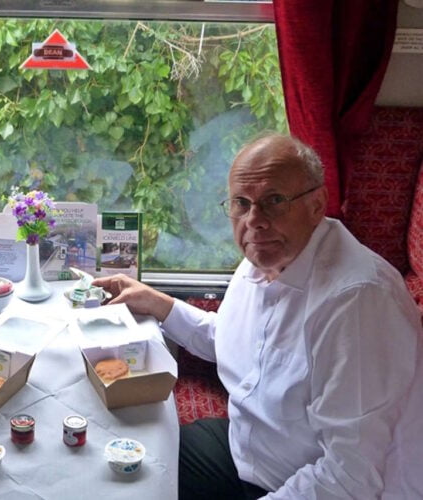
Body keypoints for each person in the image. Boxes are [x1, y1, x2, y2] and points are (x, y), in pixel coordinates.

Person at [94, 134, 423, 499]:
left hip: (304, 483)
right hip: (249, 452)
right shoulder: (265, 259)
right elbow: (235, 341)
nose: (254, 220)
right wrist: (159, 304)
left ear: (317, 205)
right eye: (241, 203)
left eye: (274, 201)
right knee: (124, 466)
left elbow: (350, 477)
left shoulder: (357, 303)